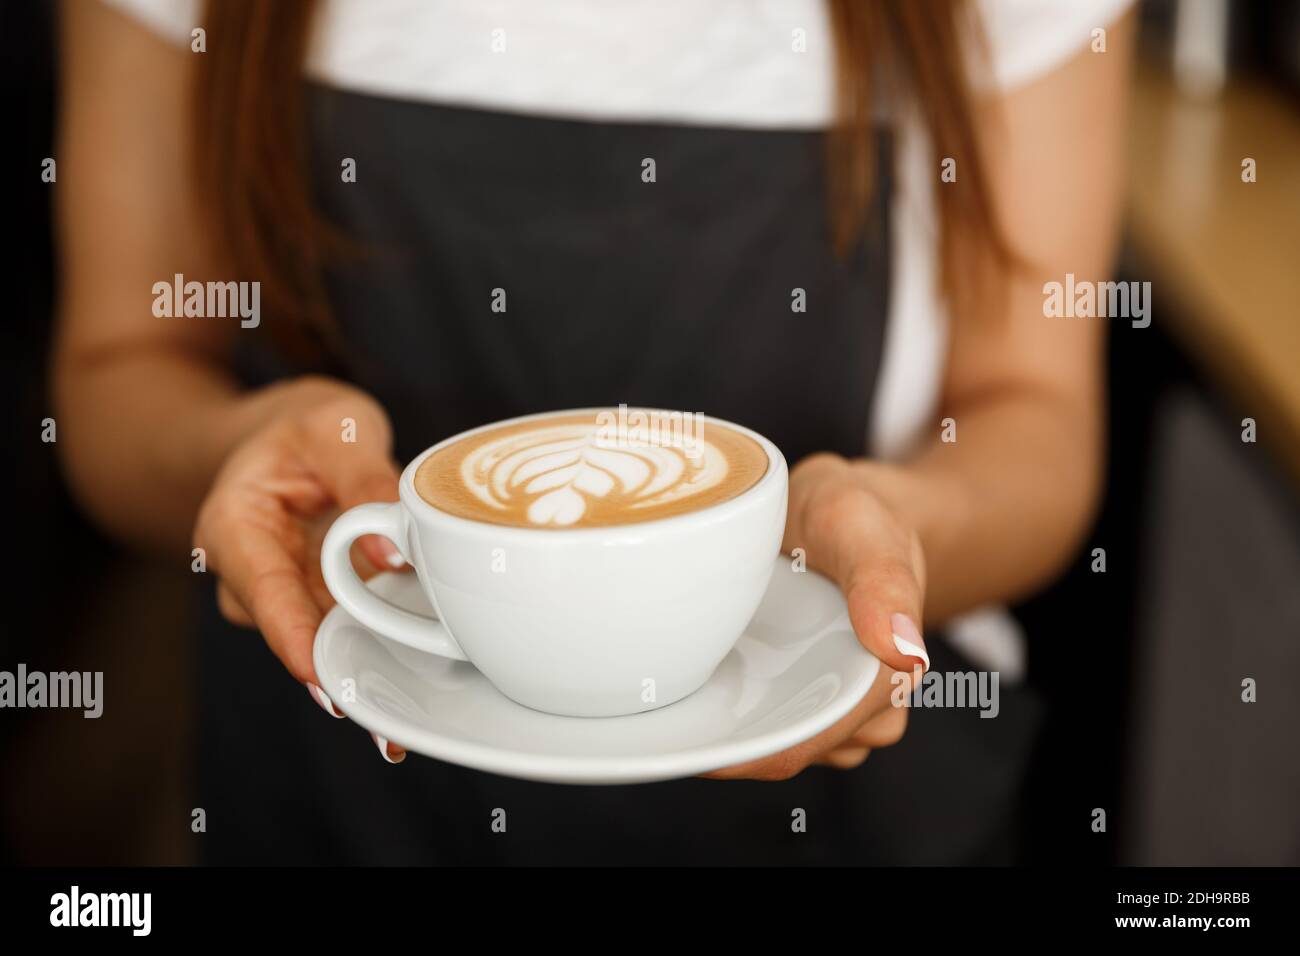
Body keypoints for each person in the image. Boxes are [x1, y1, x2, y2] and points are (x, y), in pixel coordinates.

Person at [54, 0, 1135, 864]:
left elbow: (1033, 410)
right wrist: (235, 451)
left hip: (856, 806)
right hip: (329, 790)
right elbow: (116, 370)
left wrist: (897, 539)